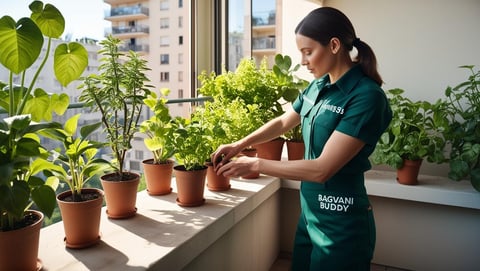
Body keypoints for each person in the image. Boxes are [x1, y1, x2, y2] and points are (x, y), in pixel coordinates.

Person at [212, 6, 392, 271]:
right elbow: (285, 121)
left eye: (308, 52)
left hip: (341, 221)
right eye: (301, 53)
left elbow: (322, 170)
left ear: (333, 45)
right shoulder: (318, 86)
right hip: (310, 215)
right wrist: (240, 144)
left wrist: (257, 164)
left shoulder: (366, 97)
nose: (304, 61)